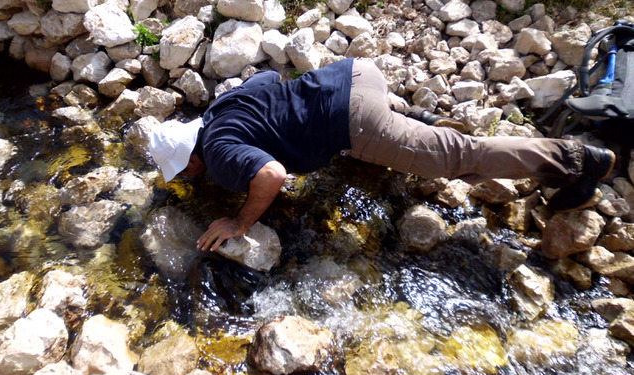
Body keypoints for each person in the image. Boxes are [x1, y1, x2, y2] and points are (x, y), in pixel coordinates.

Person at [148, 58, 616, 252]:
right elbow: (268, 80)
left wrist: (239, 223)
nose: (187, 178)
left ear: (191, 157)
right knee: (381, 145)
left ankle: (579, 162)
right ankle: (417, 123)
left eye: (183, 173)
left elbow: (268, 174)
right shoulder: (217, 110)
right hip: (355, 73)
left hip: (355, 120)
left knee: (459, 156)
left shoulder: (219, 151)